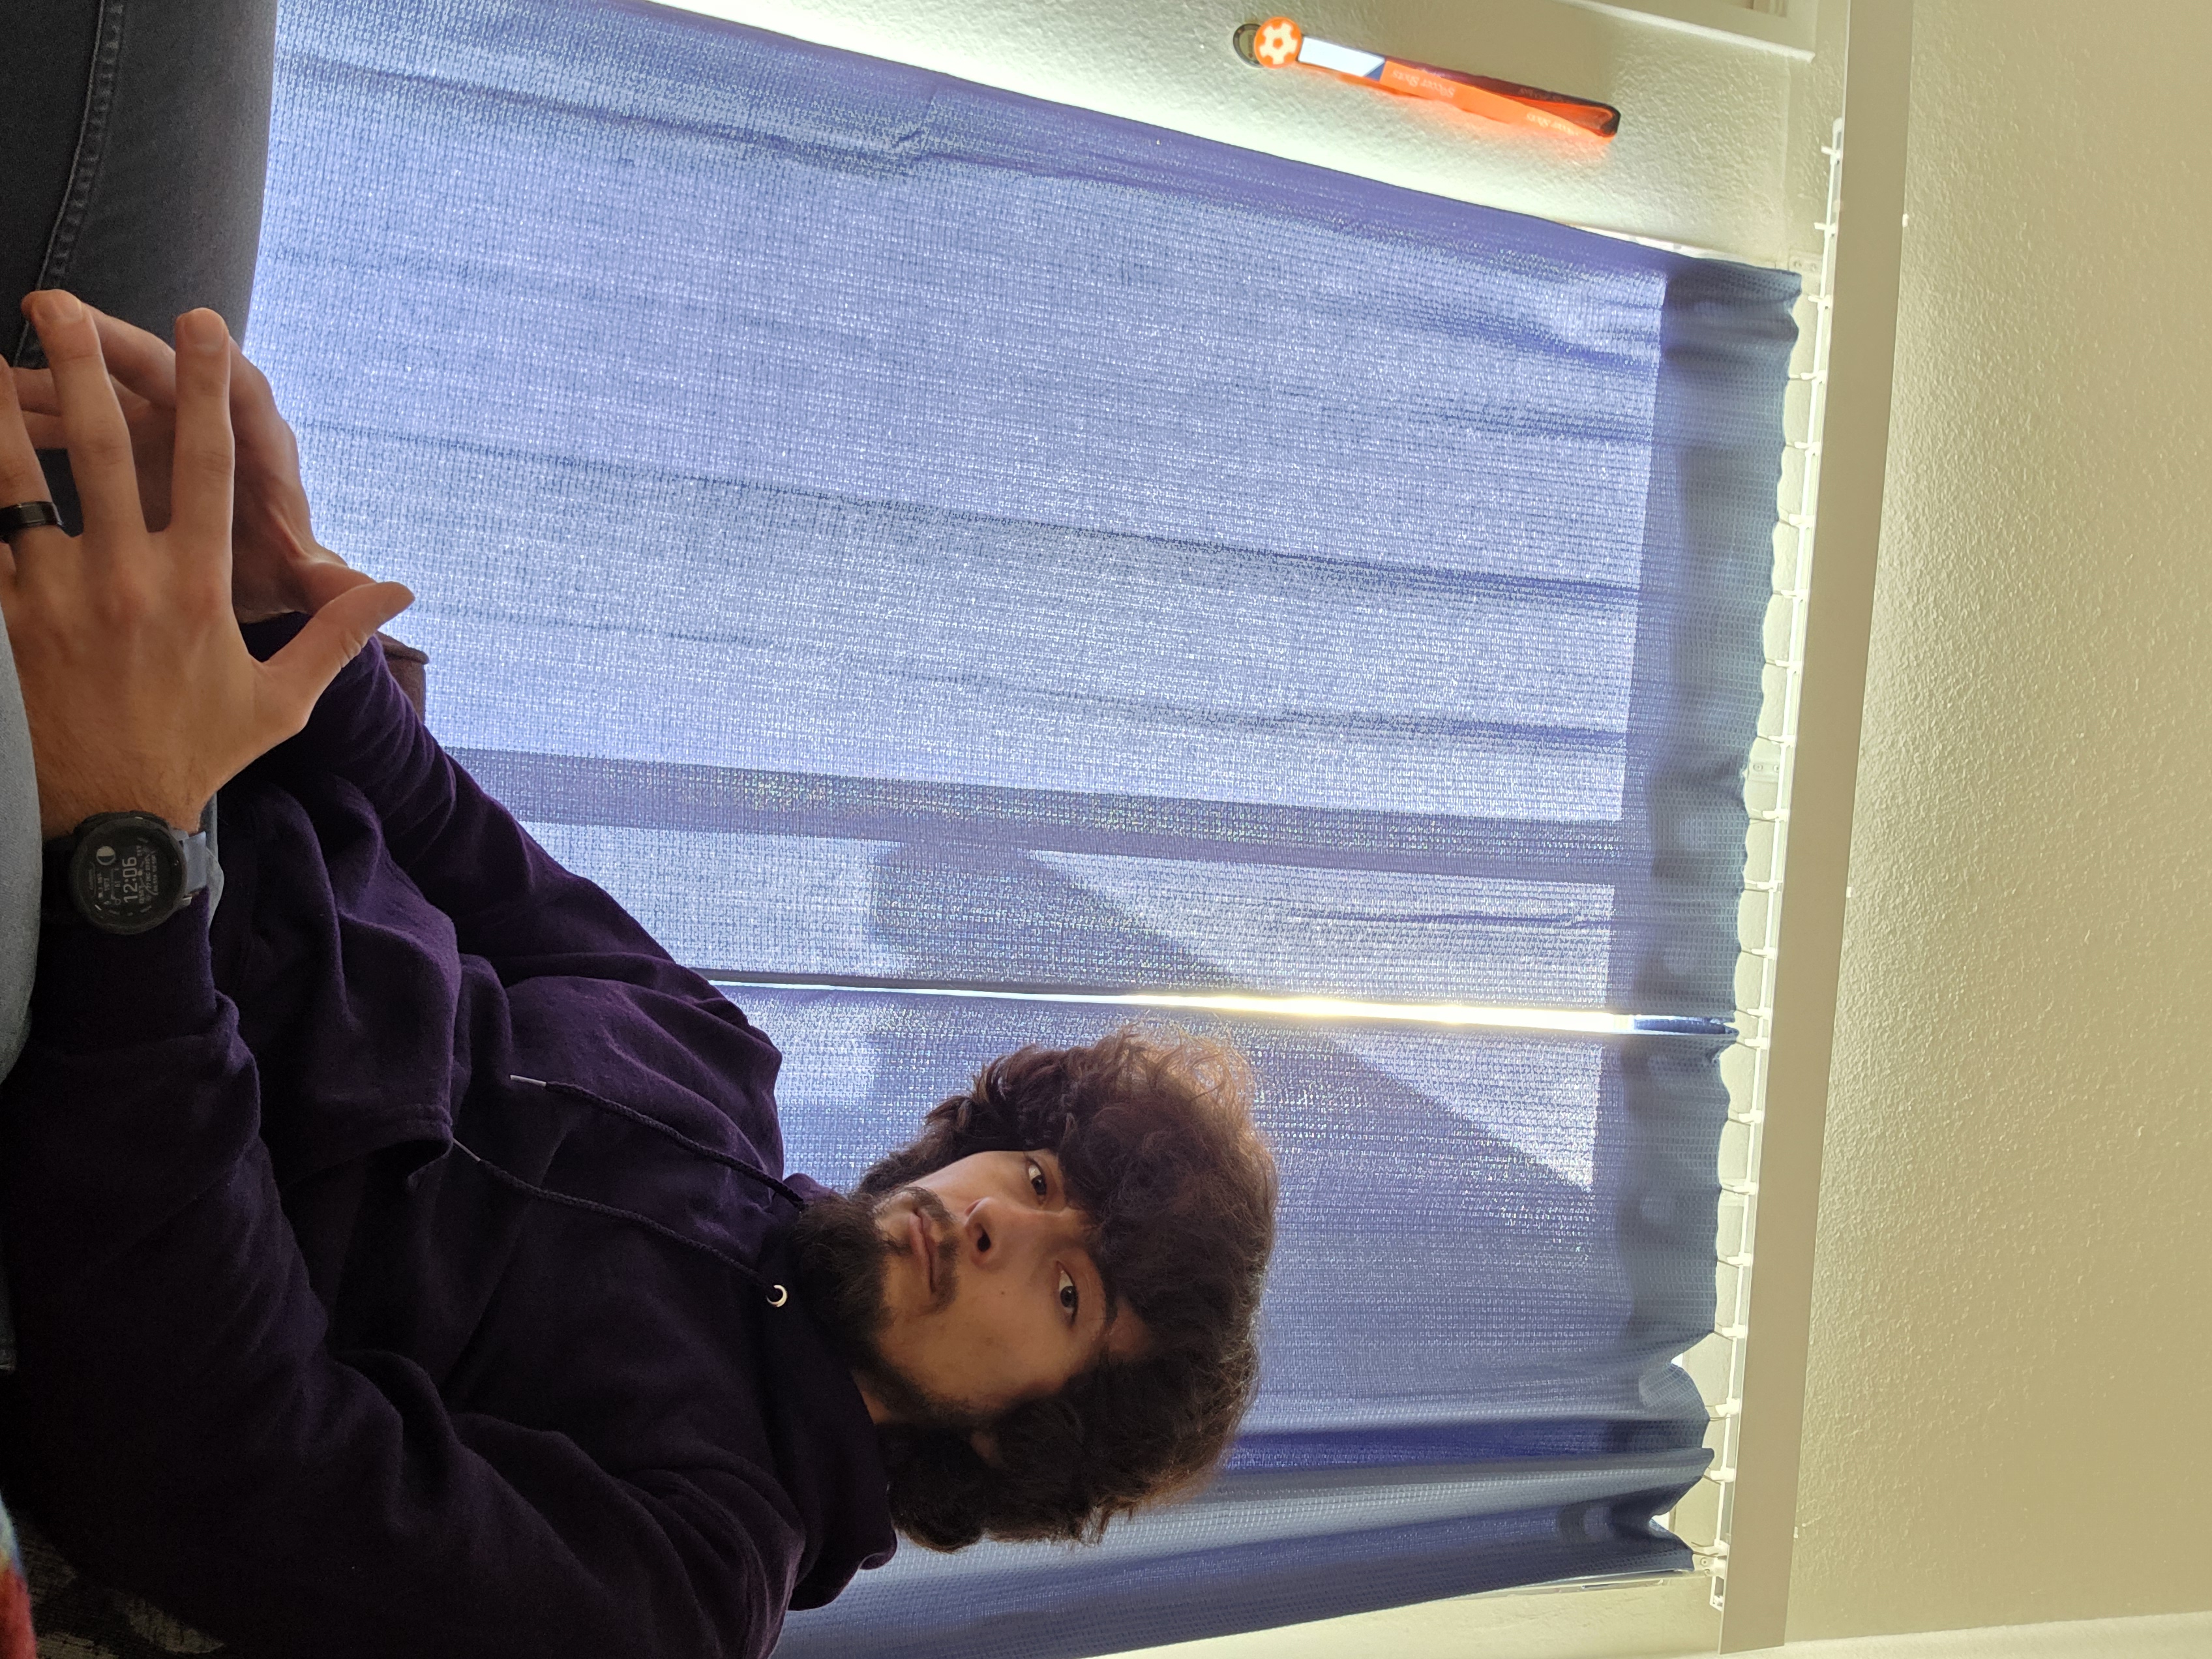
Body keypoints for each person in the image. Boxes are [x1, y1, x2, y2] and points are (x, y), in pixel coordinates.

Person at [0, 7, 1277, 1655]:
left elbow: (223, 1450)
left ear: (1016, 1440)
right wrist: (277, 587)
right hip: (169, 776)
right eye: (1036, 1176)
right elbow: (451, 839)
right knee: (169, 126)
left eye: (1066, 1290)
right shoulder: (715, 1063)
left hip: (71, 1007)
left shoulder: (688, 1577)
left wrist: (129, 858)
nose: (997, 1220)